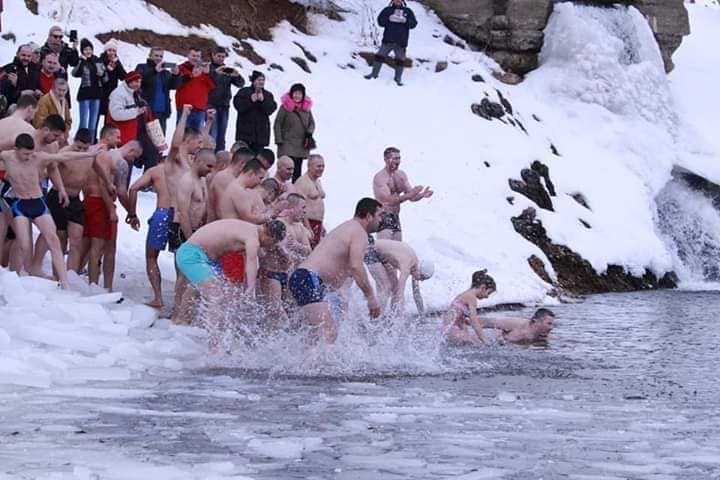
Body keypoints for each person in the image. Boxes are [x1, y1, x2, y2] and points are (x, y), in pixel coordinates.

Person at [1, 133, 99, 289]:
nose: (29, 156)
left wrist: (90, 154)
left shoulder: (38, 157)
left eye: (31, 153)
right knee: (24, 244)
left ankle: (64, 282)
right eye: (26, 153)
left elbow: (65, 156)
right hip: (20, 204)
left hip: (38, 202)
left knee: (53, 240)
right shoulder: (6, 156)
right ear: (15, 149)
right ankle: (22, 276)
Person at [174, 219, 286, 345]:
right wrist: (251, 288)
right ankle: (214, 345)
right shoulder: (252, 237)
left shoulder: (251, 230)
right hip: (192, 255)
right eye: (273, 243)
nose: (271, 246)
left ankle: (187, 323)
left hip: (200, 256)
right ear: (270, 236)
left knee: (224, 295)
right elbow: (251, 261)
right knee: (216, 296)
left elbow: (260, 254)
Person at [289, 198, 383, 344]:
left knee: (314, 336)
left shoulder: (349, 228)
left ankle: (303, 365)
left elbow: (349, 269)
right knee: (328, 331)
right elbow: (356, 267)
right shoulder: (359, 233)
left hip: (305, 278)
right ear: (369, 216)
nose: (381, 220)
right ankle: (318, 366)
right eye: (379, 215)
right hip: (309, 278)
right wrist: (371, 298)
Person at [29, 129, 110, 275]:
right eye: (78, 147)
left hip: (75, 199)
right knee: (58, 237)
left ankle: (71, 275)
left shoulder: (90, 154)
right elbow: (50, 169)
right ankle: (54, 273)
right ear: (74, 142)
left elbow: (97, 168)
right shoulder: (66, 153)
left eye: (84, 148)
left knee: (76, 239)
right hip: (58, 196)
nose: (80, 151)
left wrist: (108, 182)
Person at [84, 129, 143, 290]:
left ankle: (82, 280)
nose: (133, 161)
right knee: (107, 248)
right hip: (102, 204)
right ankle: (102, 287)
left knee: (86, 245)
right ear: (132, 150)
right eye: (135, 157)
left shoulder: (96, 152)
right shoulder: (120, 162)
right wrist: (131, 213)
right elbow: (121, 192)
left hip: (88, 199)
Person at [172, 148, 215, 318]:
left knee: (191, 276)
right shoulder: (187, 181)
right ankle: (177, 313)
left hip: (196, 230)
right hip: (183, 229)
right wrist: (190, 239)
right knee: (183, 275)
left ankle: (186, 312)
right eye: (209, 166)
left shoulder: (202, 180)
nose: (210, 170)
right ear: (198, 161)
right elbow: (183, 212)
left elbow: (202, 206)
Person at [127, 160, 172, 308]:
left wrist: (132, 214)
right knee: (180, 261)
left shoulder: (156, 170)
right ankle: (179, 303)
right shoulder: (187, 170)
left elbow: (133, 188)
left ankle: (158, 297)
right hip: (179, 215)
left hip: (162, 214)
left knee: (151, 257)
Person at [372, 146, 432, 241]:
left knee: (397, 252)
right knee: (384, 251)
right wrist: (409, 195)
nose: (398, 161)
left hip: (396, 217)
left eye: (399, 158)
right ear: (386, 159)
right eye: (395, 158)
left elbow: (412, 197)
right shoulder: (380, 177)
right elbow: (388, 201)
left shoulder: (401, 175)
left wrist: (421, 195)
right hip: (383, 216)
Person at [367, 238, 434, 314]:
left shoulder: (415, 267)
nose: (421, 280)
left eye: (424, 279)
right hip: (370, 250)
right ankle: (376, 319)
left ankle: (391, 317)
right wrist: (401, 318)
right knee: (386, 286)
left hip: (382, 257)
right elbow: (400, 293)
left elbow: (416, 294)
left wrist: (422, 315)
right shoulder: (407, 265)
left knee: (395, 288)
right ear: (420, 269)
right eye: (422, 277)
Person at [364, 0, 418, 86]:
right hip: (388, 40)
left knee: (400, 60)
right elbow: (380, 22)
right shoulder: (387, 10)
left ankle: (398, 79)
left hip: (401, 42)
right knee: (379, 56)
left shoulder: (408, 11)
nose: (397, 1)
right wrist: (389, 18)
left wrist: (405, 21)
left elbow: (414, 24)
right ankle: (373, 74)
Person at [274, 83, 315, 182]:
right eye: (295, 93)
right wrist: (279, 139)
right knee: (285, 169)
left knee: (297, 171)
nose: (297, 96)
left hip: (301, 145)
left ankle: (295, 192)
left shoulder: (306, 109)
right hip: (287, 143)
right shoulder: (285, 107)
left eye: (299, 94)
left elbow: (312, 123)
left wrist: (309, 133)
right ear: (291, 94)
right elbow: (278, 123)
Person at [443, 270, 497, 345]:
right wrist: (484, 339)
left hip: (449, 329)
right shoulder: (471, 298)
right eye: (488, 293)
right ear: (483, 288)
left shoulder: (465, 294)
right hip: (452, 330)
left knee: (474, 341)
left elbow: (457, 315)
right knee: (476, 343)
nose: (487, 297)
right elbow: (474, 321)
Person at [208, 46, 244, 152]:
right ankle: (210, 157)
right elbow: (206, 81)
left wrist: (236, 75)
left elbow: (241, 84)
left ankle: (220, 159)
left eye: (223, 57)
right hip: (211, 104)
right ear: (213, 55)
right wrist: (215, 73)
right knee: (212, 134)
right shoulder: (209, 69)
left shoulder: (226, 70)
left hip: (224, 106)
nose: (221, 58)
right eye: (219, 56)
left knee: (221, 136)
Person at [135, 47, 178, 134]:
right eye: (156, 55)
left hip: (162, 112)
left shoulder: (165, 72)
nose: (158, 58)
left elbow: (174, 86)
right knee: (144, 140)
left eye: (161, 56)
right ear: (150, 56)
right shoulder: (141, 67)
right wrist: (154, 70)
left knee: (159, 143)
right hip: (146, 111)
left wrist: (176, 75)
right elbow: (139, 80)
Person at [206, 147, 254, 222]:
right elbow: (222, 212)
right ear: (242, 164)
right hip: (218, 228)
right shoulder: (224, 178)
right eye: (250, 167)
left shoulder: (235, 180)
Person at [72, 39, 107, 141]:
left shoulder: (97, 60)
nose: (88, 51)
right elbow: (75, 73)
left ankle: (90, 143)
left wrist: (103, 70)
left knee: (93, 121)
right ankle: (79, 142)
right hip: (85, 93)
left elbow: (103, 75)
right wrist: (82, 61)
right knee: (83, 121)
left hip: (96, 93)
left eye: (90, 49)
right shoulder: (81, 61)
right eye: (85, 49)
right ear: (82, 51)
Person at [233, 71, 276, 153]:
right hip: (244, 134)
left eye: (263, 80)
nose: (261, 82)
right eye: (259, 80)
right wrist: (250, 100)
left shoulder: (268, 95)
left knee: (256, 162)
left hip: (260, 136)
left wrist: (263, 101)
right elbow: (238, 106)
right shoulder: (244, 92)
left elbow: (270, 110)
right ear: (253, 81)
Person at [175, 48, 215, 130]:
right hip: (184, 109)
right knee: (181, 135)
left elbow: (213, 86)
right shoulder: (181, 68)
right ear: (188, 56)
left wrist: (208, 74)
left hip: (199, 109)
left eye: (198, 56)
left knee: (197, 137)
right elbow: (176, 84)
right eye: (193, 55)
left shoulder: (204, 71)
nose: (195, 58)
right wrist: (192, 75)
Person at [295, 154, 325, 248]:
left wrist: (322, 225)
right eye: (318, 166)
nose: (321, 168)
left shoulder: (317, 181)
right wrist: (308, 227)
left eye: (323, 166)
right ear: (309, 167)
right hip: (307, 224)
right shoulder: (302, 182)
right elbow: (299, 207)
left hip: (317, 224)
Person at [107, 70, 144, 146]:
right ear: (129, 81)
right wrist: (136, 111)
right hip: (119, 139)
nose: (138, 84)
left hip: (128, 137)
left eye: (140, 82)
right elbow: (116, 114)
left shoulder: (133, 93)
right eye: (136, 81)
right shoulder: (118, 94)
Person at [480, 308, 556, 344]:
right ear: (536, 321)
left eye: (552, 324)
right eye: (549, 324)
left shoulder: (544, 337)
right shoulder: (517, 324)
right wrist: (469, 321)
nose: (551, 328)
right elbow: (489, 322)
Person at [99, 39, 127, 124]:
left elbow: (123, 76)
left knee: (109, 117)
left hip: (112, 92)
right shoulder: (100, 60)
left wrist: (117, 64)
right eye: (109, 50)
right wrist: (107, 69)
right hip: (100, 91)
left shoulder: (117, 62)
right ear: (105, 51)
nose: (111, 53)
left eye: (113, 50)